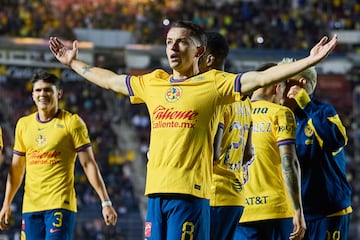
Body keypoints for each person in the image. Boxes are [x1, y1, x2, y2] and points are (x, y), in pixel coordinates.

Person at [48, 20, 337, 239]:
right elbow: (110, 80)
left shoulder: (214, 84)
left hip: (191, 194)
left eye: (181, 42)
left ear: (199, 51)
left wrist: (308, 61)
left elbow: (261, 77)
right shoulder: (153, 82)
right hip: (155, 193)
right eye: (169, 41)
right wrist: (73, 62)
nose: (172, 48)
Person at [0, 71, 118, 240]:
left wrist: (105, 202)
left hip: (59, 205)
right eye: (38, 90)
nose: (43, 94)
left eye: (48, 90)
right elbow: (17, 168)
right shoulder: (23, 125)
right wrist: (6, 204)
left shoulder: (72, 123)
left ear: (59, 93)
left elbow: (88, 164)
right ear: (32, 95)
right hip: (30, 207)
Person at [278, 58, 352, 240]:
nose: (279, 86)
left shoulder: (323, 111)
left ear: (300, 84)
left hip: (328, 212)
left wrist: (307, 105)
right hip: (296, 213)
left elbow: (336, 140)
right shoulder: (280, 116)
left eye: (285, 80)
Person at [233, 62, 306, 240]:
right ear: (276, 87)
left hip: (240, 209)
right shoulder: (280, 113)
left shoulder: (235, 112)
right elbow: (289, 162)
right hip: (277, 210)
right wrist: (298, 210)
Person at [198, 31, 253, 240]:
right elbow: (248, 153)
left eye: (198, 54)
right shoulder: (243, 98)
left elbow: (214, 150)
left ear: (209, 58)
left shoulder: (216, 94)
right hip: (236, 196)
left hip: (214, 193)